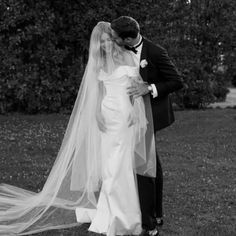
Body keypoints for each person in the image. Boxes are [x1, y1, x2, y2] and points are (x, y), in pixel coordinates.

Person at [0, 22, 156, 236]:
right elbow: (97, 92)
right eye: (102, 42)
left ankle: (123, 217)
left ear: (115, 39)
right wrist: (97, 114)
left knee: (118, 167)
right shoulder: (99, 63)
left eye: (109, 40)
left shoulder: (127, 57)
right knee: (109, 168)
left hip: (124, 117)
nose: (106, 45)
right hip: (107, 115)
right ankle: (110, 213)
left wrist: (135, 112)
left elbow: (135, 89)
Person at [111, 16, 184, 236]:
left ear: (129, 38)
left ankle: (149, 221)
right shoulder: (120, 50)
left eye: (116, 36)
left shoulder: (155, 51)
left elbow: (177, 81)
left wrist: (149, 88)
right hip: (127, 117)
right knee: (152, 164)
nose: (113, 39)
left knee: (144, 166)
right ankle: (155, 213)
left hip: (150, 116)